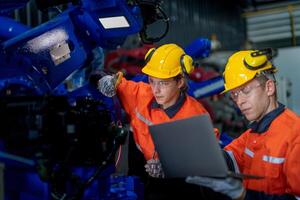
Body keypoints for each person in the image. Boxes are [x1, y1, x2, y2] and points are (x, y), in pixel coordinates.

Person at [98, 43, 222, 199]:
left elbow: (209, 160)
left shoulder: (196, 116)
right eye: (152, 81)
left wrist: (172, 167)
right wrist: (105, 80)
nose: (155, 90)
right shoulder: (141, 94)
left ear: (180, 82)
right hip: (143, 170)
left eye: (163, 83)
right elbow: (110, 78)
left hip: (181, 184)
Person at [186, 49, 300, 200]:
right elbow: (228, 158)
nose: (240, 101)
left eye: (245, 90)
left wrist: (244, 195)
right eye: (234, 94)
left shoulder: (294, 136)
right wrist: (194, 156)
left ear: (269, 88)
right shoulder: (253, 134)